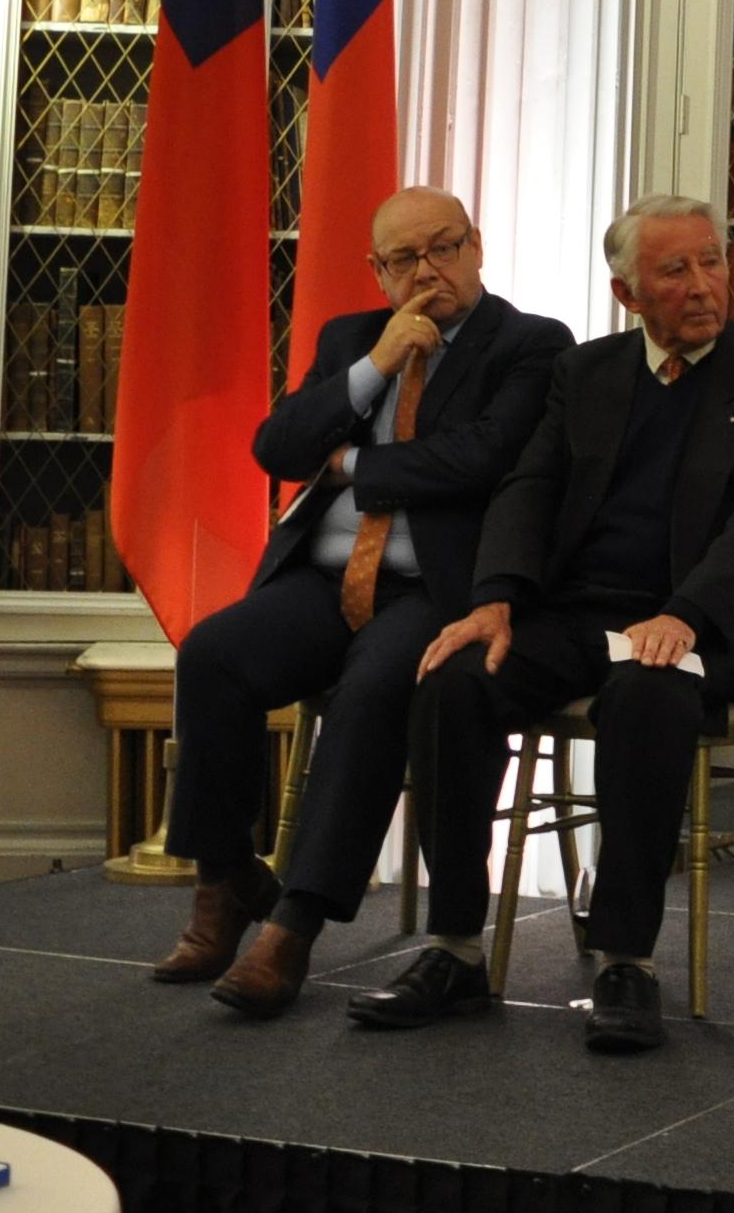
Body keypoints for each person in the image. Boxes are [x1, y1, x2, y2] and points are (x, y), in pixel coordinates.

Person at [355, 196, 734, 1053]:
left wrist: (684, 615)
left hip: (712, 624)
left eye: (712, 262)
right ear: (627, 293)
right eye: (674, 270)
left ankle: (624, 960)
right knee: (454, 679)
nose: (702, 286)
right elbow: (529, 487)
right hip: (577, 615)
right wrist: (493, 597)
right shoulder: (590, 372)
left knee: (649, 695)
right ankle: (457, 946)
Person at [149, 188, 571, 1017]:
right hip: (324, 578)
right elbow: (276, 446)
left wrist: (347, 466)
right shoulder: (352, 338)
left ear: (477, 246)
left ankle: (292, 930)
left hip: (432, 585)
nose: (428, 271)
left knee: (374, 690)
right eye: (405, 259)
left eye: (443, 249)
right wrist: (376, 365)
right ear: (376, 271)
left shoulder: (529, 344)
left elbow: (477, 461)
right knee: (212, 656)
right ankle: (226, 878)